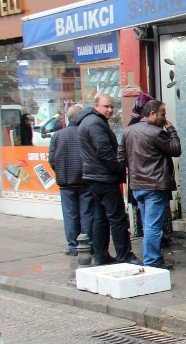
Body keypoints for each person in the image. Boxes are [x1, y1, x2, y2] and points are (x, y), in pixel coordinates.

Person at [118, 99, 181, 269]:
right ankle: (152, 261)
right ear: (152, 114)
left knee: (148, 225)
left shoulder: (128, 131)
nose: (164, 118)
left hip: (138, 185)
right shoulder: (156, 133)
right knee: (153, 226)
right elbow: (176, 149)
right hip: (155, 185)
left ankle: (152, 258)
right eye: (162, 114)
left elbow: (121, 158)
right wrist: (171, 129)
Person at [79, 94, 138, 266]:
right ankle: (124, 255)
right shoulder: (95, 123)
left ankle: (101, 255)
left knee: (101, 217)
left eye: (112, 106)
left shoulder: (89, 121)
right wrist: (119, 168)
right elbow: (104, 152)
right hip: (103, 177)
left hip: (95, 176)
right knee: (117, 217)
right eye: (106, 106)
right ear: (96, 105)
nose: (110, 110)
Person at [49, 104, 95, 256]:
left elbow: (52, 159)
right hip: (85, 179)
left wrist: (60, 171)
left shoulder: (57, 135)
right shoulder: (85, 132)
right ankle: (87, 244)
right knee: (86, 213)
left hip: (65, 182)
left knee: (70, 214)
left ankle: (72, 246)